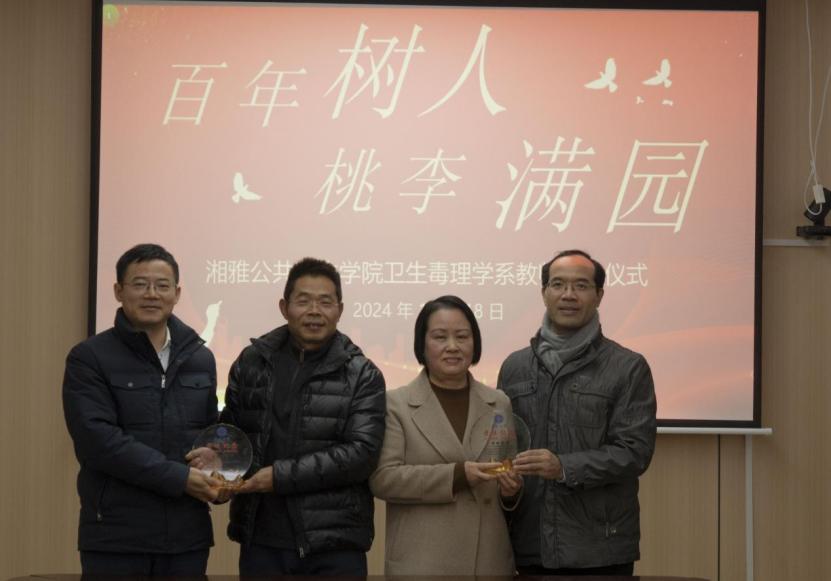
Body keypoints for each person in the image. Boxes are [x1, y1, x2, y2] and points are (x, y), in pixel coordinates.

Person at [212, 257, 386, 576]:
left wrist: (278, 477)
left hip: (334, 543)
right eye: (303, 301)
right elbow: (231, 432)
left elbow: (361, 455)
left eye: (325, 302)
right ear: (284, 307)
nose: (314, 311)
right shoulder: (252, 362)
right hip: (261, 538)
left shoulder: (362, 374)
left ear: (340, 310)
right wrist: (218, 467)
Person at [62, 243, 220, 575]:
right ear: (118, 291)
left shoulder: (200, 358)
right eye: (140, 284)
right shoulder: (89, 357)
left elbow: (209, 434)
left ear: (177, 293)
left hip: (186, 538)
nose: (152, 294)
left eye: (162, 285)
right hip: (116, 537)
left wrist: (219, 473)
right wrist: (180, 478)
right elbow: (98, 442)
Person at [497, 249, 657, 576]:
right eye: (558, 284)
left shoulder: (628, 367)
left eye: (581, 286)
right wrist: (505, 484)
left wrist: (563, 467)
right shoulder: (514, 367)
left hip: (599, 549)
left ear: (599, 295)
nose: (568, 294)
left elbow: (634, 452)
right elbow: (504, 447)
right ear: (544, 292)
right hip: (529, 543)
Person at [370, 295, 520, 576]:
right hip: (423, 563)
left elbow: (507, 473)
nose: (453, 346)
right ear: (422, 344)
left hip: (488, 564)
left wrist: (510, 492)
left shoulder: (499, 402)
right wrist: (457, 475)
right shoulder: (396, 404)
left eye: (462, 336)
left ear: (475, 342)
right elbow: (383, 479)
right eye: (440, 337)